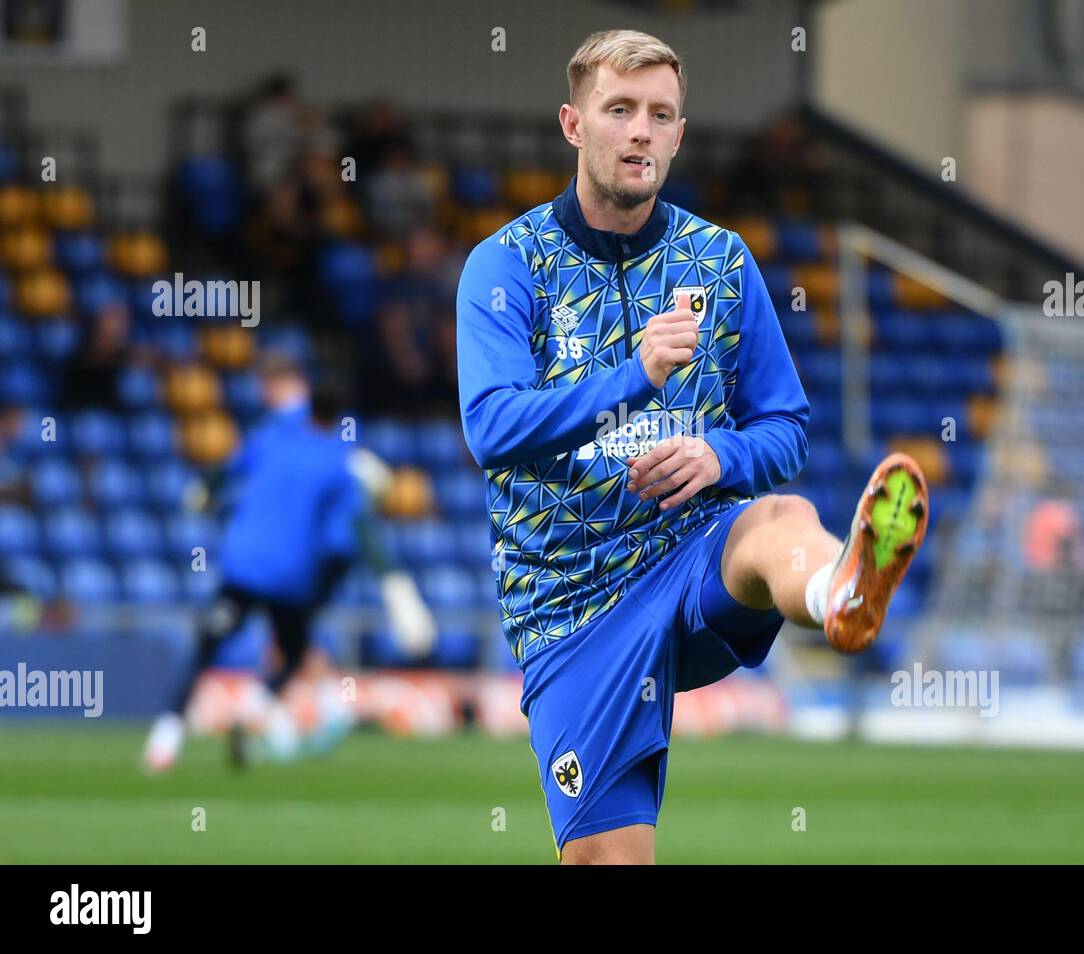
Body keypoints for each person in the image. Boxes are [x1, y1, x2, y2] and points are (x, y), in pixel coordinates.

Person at [456, 29, 928, 864]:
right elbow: (492, 428)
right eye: (620, 110)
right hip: (569, 608)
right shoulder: (507, 266)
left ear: (679, 134)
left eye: (660, 115)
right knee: (610, 860)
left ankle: (838, 594)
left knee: (774, 516)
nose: (640, 130)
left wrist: (721, 458)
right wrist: (634, 376)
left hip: (688, 558)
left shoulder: (720, 260)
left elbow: (785, 430)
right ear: (574, 124)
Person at [141, 353, 435, 772]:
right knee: (294, 653)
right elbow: (361, 529)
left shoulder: (271, 438)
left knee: (204, 649)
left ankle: (163, 744)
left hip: (243, 570)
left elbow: (226, 474)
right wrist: (397, 588)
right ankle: (255, 706)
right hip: (290, 581)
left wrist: (203, 493)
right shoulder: (339, 462)